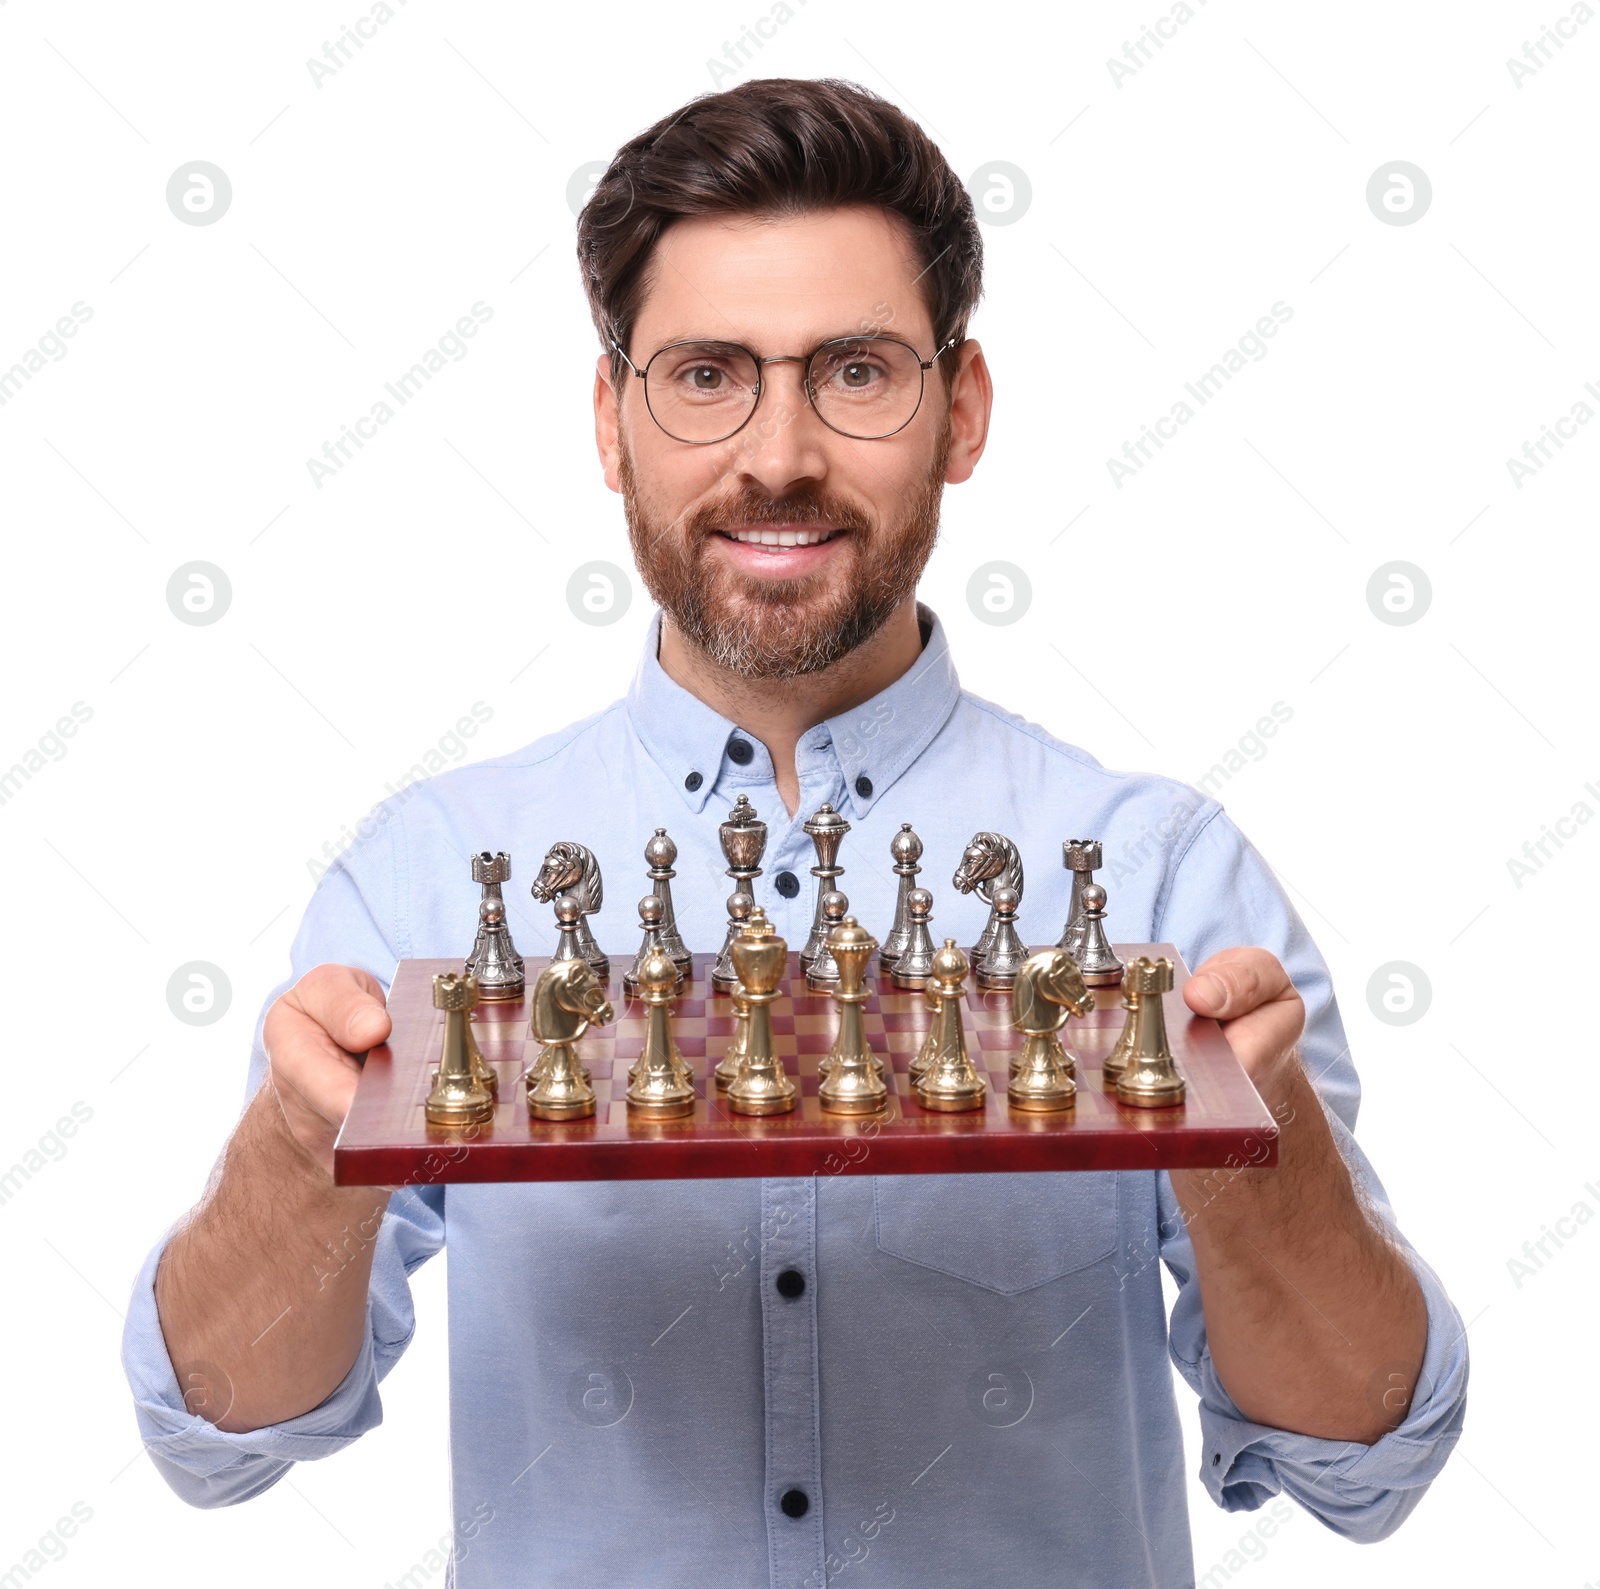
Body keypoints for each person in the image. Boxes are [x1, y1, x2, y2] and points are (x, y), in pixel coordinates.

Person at [122, 77, 1466, 1587]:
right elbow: (219, 1435)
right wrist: (304, 1142)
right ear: (610, 421)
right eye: (706, 374)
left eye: (855, 371)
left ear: (961, 412)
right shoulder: (428, 877)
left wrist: (1248, 1153)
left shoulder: (1163, 876)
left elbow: (1366, 1456)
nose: (776, 454)